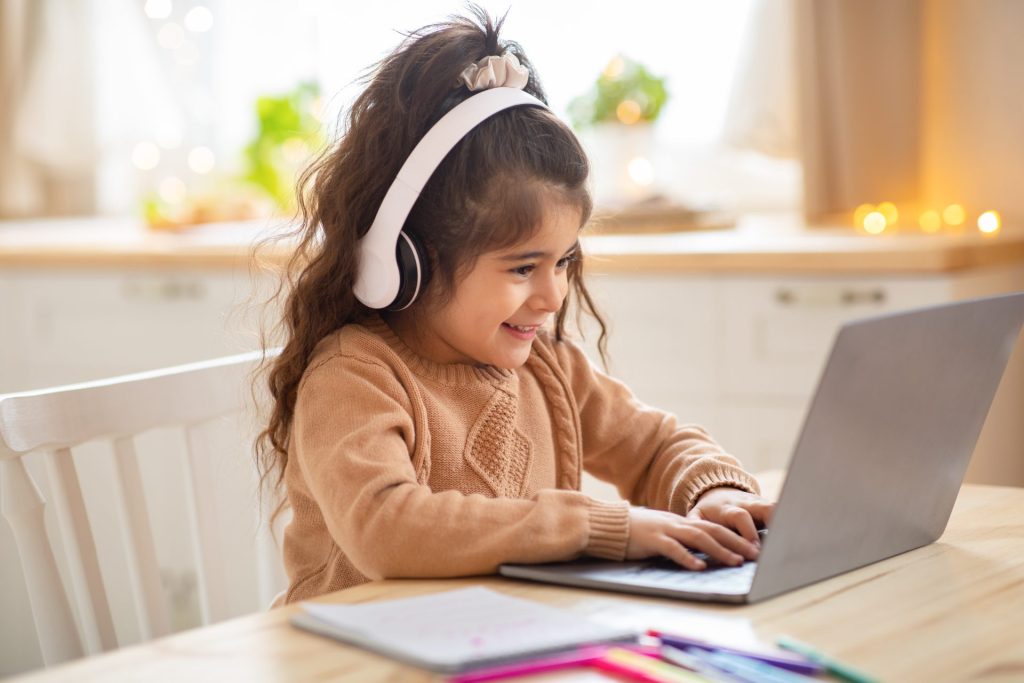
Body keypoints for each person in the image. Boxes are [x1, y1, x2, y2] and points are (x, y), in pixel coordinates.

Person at [256, 6, 775, 606]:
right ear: (407, 262)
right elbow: (387, 528)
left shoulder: (549, 369)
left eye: (563, 262)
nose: (552, 295)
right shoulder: (353, 378)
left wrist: (715, 495)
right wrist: (601, 527)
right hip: (351, 663)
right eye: (523, 267)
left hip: (502, 647)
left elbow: (655, 445)